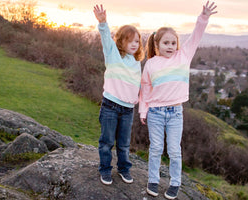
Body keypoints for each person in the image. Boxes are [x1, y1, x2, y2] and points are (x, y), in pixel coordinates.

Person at [139, 1, 217, 199]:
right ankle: (153, 180)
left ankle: (175, 182)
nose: (170, 47)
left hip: (175, 113)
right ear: (156, 45)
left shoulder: (184, 56)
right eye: (166, 43)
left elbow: (196, 35)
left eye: (173, 43)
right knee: (156, 148)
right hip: (155, 112)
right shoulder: (151, 64)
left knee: (174, 150)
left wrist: (203, 17)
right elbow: (145, 89)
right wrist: (143, 110)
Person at [93, 4, 144, 185]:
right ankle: (105, 170)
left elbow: (139, 85)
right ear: (121, 41)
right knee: (107, 142)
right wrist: (103, 22)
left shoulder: (137, 62)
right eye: (130, 41)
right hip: (110, 106)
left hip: (128, 110)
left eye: (137, 41)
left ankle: (124, 169)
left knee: (123, 144)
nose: (134, 44)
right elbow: (106, 38)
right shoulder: (113, 55)